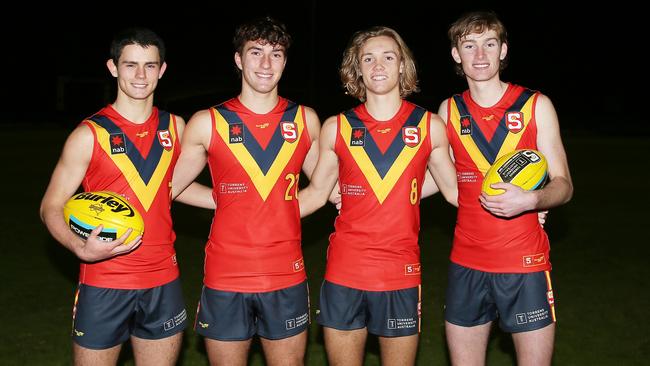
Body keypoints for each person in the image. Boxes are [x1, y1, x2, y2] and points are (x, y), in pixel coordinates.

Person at [40, 27, 213, 365]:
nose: (140, 75)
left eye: (150, 65)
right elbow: (51, 205)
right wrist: (78, 247)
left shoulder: (176, 127)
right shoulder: (89, 134)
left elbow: (167, 189)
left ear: (162, 70)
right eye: (130, 64)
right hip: (105, 280)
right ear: (113, 67)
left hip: (163, 279)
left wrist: (231, 200)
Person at [298, 26, 458, 365]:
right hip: (344, 272)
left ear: (403, 65)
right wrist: (249, 210)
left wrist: (524, 203)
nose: (378, 65)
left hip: (400, 273)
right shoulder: (337, 127)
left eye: (388, 56)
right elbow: (315, 195)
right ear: (357, 68)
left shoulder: (429, 125)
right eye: (368, 58)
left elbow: (457, 192)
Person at [170, 16, 321, 366]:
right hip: (226, 275)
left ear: (285, 61)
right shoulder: (208, 121)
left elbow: (328, 189)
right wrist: (222, 199)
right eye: (256, 53)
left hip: (286, 273)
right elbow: (168, 188)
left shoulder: (305, 120)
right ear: (238, 60)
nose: (266, 64)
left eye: (276, 54)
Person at [437, 11, 574, 366]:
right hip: (465, 263)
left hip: (524, 264)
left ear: (503, 50)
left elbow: (564, 185)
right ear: (456, 54)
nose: (479, 55)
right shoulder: (448, 111)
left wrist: (533, 199)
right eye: (469, 45)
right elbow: (439, 181)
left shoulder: (535, 105)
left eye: (489, 44)